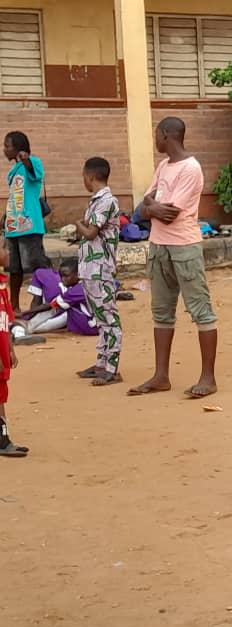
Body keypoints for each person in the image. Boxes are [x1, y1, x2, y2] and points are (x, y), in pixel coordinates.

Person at [130, 116, 217, 399]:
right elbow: (143, 208)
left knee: (200, 310)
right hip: (159, 247)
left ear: (167, 134)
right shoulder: (163, 166)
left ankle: (208, 377)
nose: (155, 139)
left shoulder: (191, 168)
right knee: (161, 312)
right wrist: (153, 208)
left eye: (156, 133)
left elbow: (169, 213)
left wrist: (151, 207)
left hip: (184, 248)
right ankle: (161, 376)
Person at [74, 157, 123, 386]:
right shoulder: (96, 201)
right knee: (100, 318)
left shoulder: (106, 201)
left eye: (84, 176)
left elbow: (91, 232)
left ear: (90, 177)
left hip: (100, 269)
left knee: (109, 319)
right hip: (91, 269)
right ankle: (102, 363)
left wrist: (78, 225)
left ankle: (111, 368)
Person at [3, 131, 50, 315]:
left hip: (29, 226)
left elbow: (33, 172)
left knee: (36, 267)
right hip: (13, 227)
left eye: (7, 146)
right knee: (14, 270)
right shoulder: (13, 171)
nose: (4, 150)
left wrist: (26, 160)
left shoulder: (33, 163)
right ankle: (13, 306)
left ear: (18, 148)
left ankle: (40, 305)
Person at [0, 237, 27, 457]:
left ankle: (3, 439)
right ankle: (3, 440)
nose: (8, 252)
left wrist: (9, 348)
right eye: (4, 249)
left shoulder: (2, 285)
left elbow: (7, 320)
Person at [21, 260, 94, 337]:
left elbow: (50, 306)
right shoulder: (87, 284)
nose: (62, 280)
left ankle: (27, 328)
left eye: (66, 276)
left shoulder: (75, 291)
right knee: (61, 305)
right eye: (61, 276)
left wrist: (25, 313)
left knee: (58, 307)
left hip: (90, 327)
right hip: (97, 324)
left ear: (78, 275)